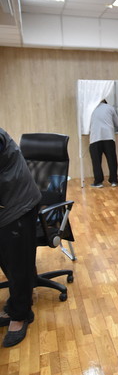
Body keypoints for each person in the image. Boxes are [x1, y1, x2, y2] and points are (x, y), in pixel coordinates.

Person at [0, 128, 41, 347]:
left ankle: (20, 315)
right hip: (5, 205)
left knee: (18, 263)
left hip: (17, 204)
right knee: (7, 259)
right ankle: (16, 305)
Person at [89, 99, 118, 188]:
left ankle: (98, 182)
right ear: (106, 101)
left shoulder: (90, 109)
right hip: (109, 137)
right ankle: (114, 181)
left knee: (96, 161)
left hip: (95, 138)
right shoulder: (110, 108)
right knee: (112, 160)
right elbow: (117, 123)